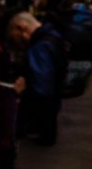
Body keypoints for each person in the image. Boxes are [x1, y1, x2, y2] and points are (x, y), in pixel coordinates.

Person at [8, 10, 67, 147]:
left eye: (14, 38)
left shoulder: (40, 46)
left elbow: (42, 88)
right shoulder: (52, 35)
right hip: (48, 123)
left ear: (21, 27)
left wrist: (23, 90)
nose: (17, 43)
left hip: (42, 127)